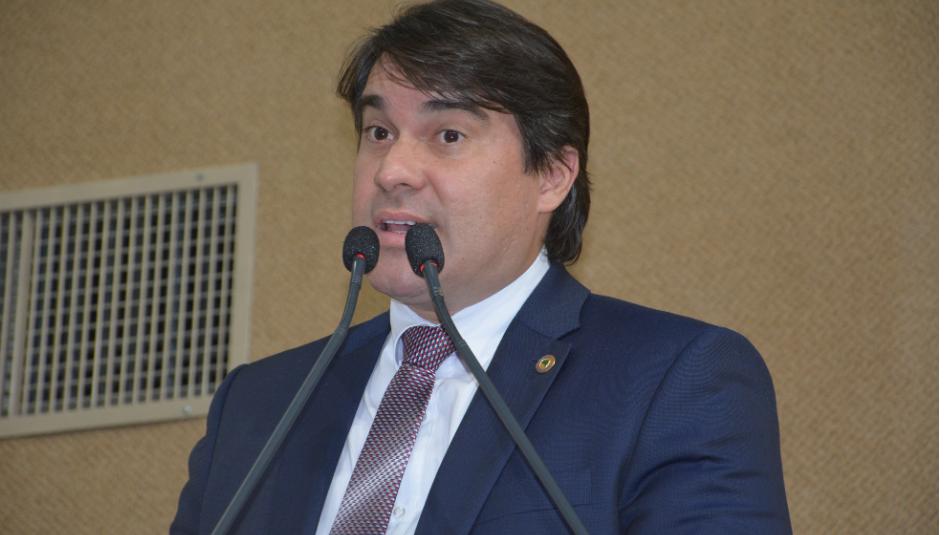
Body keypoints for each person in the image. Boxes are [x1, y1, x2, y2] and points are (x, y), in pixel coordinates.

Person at [171, 0, 792, 533]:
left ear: (552, 176)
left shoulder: (671, 380)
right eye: (379, 131)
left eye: (448, 136)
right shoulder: (259, 407)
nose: (392, 171)